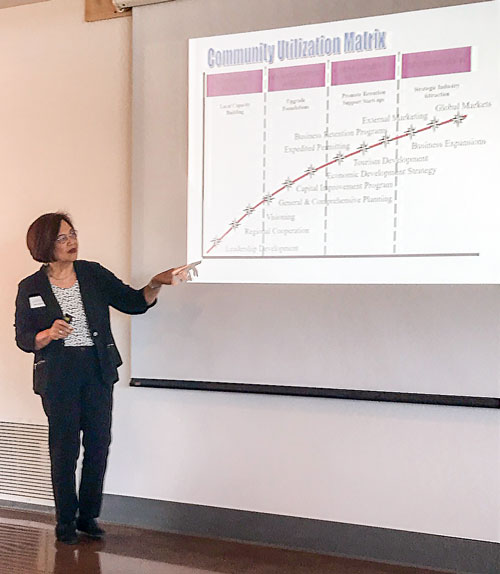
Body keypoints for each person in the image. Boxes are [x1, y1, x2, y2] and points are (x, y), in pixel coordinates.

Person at [14, 212, 195, 544]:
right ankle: (65, 521)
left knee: (98, 444)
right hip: (58, 376)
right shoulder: (31, 287)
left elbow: (133, 302)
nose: (72, 242)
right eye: (62, 238)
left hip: (96, 369)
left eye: (73, 234)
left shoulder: (92, 273)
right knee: (64, 449)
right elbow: (24, 338)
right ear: (44, 245)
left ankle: (87, 516)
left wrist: (156, 283)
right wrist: (48, 333)